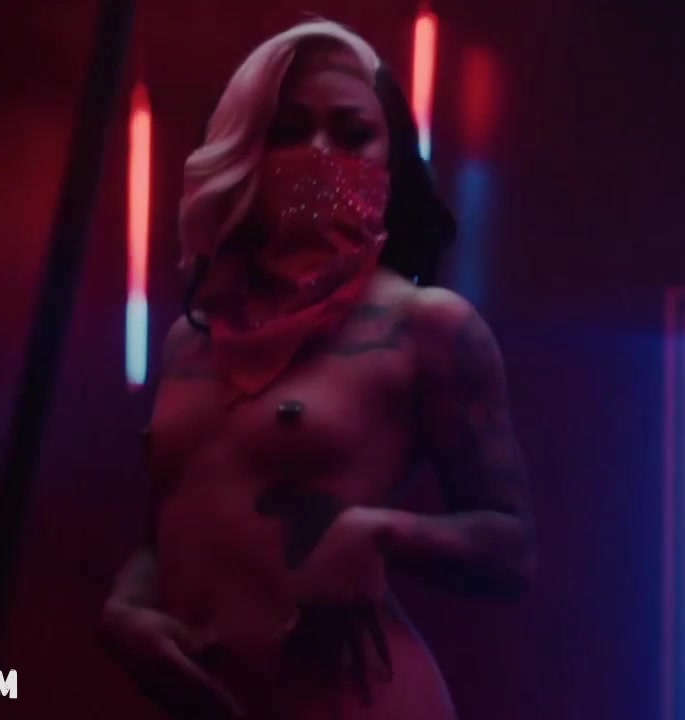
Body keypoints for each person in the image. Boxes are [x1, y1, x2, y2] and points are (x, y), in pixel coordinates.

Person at [98, 19, 536, 720]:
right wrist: (125, 609)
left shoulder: (425, 326)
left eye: (353, 133)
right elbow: (175, 528)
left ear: (393, 159)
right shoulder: (191, 338)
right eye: (289, 130)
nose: (320, 154)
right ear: (245, 146)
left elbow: (511, 547)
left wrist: (377, 530)